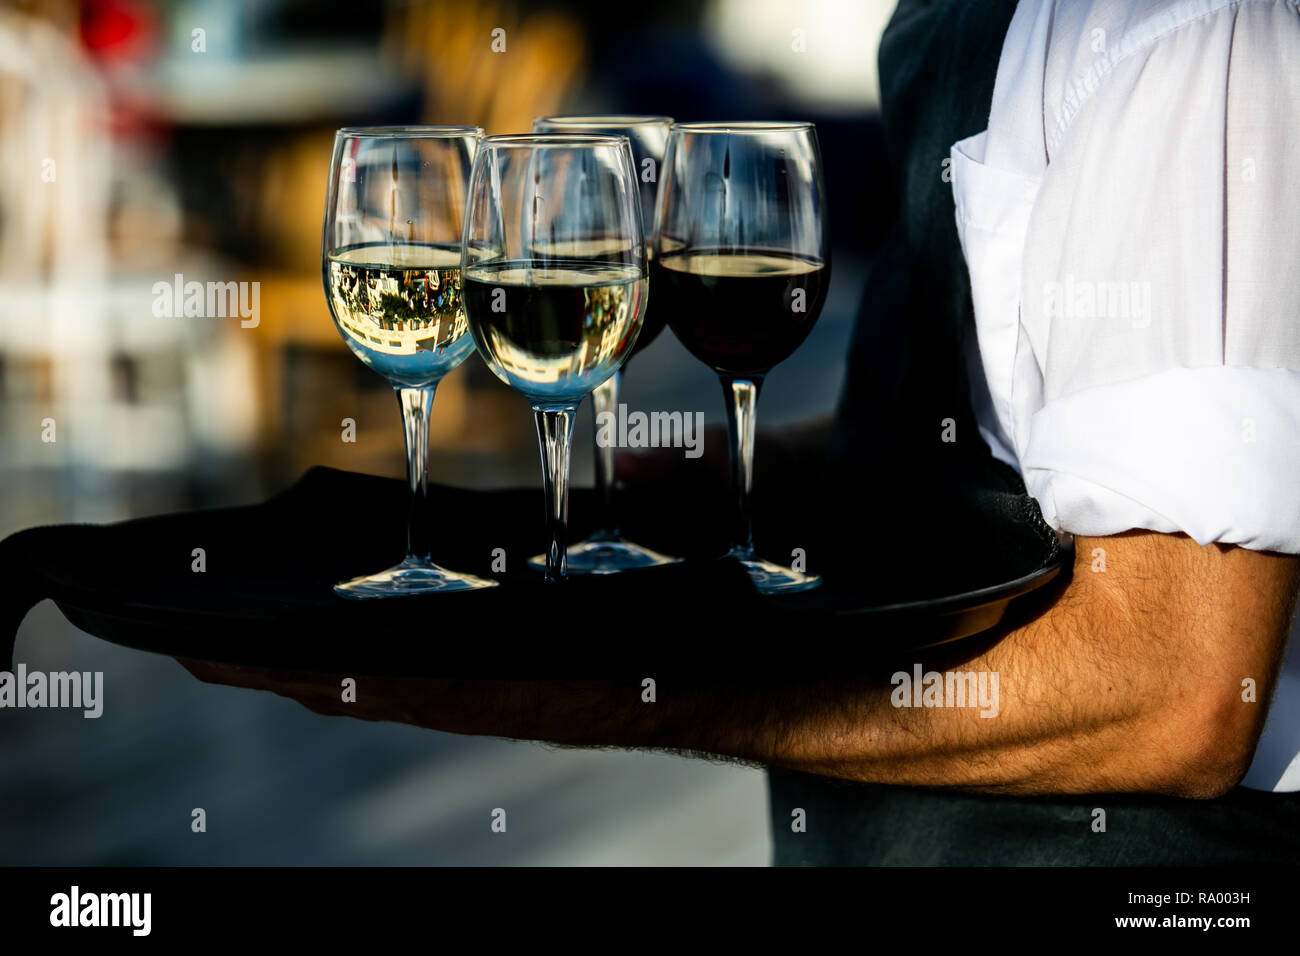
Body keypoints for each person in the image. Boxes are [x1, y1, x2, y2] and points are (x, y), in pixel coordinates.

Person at [184, 0, 1300, 865]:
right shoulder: (963, 23)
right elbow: (1003, 446)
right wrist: (684, 480)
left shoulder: (1177, 28)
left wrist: (528, 680)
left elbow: (1175, 695)